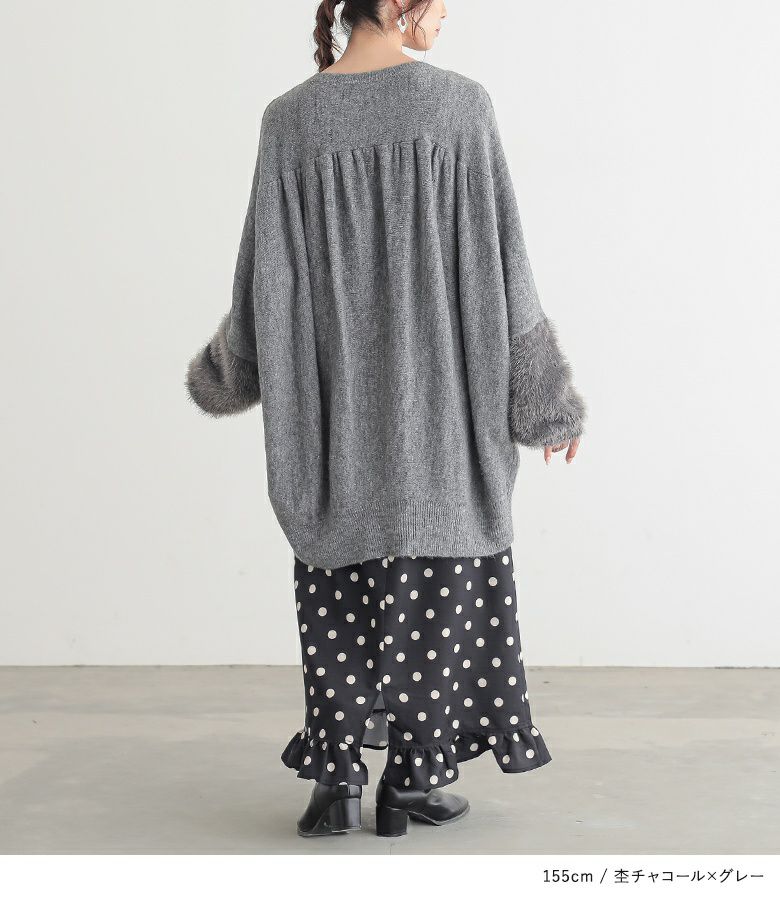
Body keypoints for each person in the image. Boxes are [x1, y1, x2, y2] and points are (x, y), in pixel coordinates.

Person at [186, 0, 586, 839]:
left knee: (339, 593)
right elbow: (507, 266)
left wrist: (228, 372)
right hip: (443, 427)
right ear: (401, 2)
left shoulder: (290, 120)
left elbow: (263, 276)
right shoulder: (460, 106)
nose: (448, 11)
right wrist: (545, 400)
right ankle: (409, 780)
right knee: (436, 596)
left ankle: (336, 783)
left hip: (335, 429)